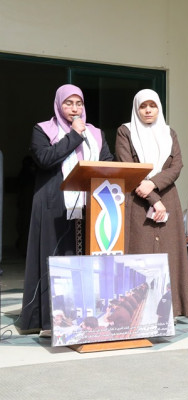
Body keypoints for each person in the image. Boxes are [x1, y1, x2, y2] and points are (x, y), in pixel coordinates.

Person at [18, 84, 113, 337]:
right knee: (57, 258)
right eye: (68, 103)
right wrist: (74, 135)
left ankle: (86, 316)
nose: (74, 108)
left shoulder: (96, 133)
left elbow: (108, 162)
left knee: (84, 258)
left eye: (78, 103)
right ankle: (52, 320)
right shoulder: (43, 130)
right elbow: (45, 159)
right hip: (55, 204)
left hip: (90, 203)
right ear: (58, 105)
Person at [115, 89, 188, 321]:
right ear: (136, 108)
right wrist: (152, 198)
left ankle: (172, 308)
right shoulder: (125, 131)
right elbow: (126, 165)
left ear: (159, 108)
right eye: (143, 106)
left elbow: (177, 166)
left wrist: (153, 184)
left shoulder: (169, 133)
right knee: (140, 253)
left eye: (153, 105)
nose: (148, 110)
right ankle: (137, 311)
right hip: (137, 199)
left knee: (169, 253)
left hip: (167, 197)